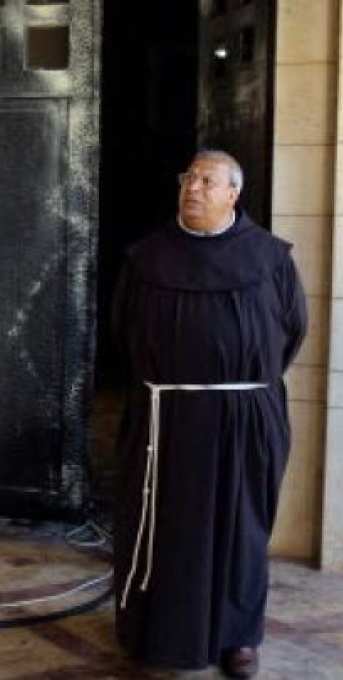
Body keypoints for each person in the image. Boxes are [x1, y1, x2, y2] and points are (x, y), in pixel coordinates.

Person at [110, 149, 307, 678]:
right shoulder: (146, 257)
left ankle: (238, 638)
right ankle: (153, 630)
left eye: (206, 180)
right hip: (164, 418)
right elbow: (123, 333)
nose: (192, 188)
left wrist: (235, 387)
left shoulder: (270, 258)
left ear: (232, 194)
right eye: (187, 178)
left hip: (245, 418)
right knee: (161, 527)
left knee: (241, 529)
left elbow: (292, 331)